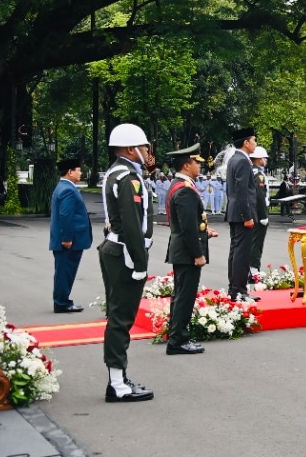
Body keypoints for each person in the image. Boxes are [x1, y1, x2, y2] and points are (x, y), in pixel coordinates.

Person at [99, 122, 156, 402]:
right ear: (131, 148)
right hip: (124, 252)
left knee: (118, 316)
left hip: (114, 247)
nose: (147, 151)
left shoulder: (118, 173)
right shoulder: (127, 178)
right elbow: (133, 225)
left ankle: (118, 378)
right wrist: (139, 261)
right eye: (144, 146)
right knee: (121, 319)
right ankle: (118, 384)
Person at [164, 145, 217, 356]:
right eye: (197, 162)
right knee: (184, 296)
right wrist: (198, 254)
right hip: (187, 252)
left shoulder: (180, 184)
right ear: (187, 165)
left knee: (181, 294)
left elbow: (191, 223)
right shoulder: (185, 189)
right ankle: (178, 340)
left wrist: (206, 232)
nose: (200, 166)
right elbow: (186, 227)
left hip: (183, 249)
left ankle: (177, 335)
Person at [50, 157, 92, 313]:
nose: (81, 173)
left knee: (64, 271)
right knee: (65, 272)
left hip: (67, 239)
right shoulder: (68, 189)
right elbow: (65, 215)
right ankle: (61, 302)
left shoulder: (62, 187)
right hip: (69, 241)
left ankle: (61, 300)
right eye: (78, 170)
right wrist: (66, 238)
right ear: (70, 172)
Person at [224, 126, 259, 302]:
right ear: (245, 142)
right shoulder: (243, 161)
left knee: (236, 251)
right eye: (253, 140)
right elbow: (242, 191)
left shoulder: (233, 159)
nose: (255, 143)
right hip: (242, 213)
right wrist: (247, 216)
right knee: (242, 253)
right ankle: (239, 290)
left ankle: (234, 289)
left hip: (234, 211)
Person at [248, 146, 271, 276]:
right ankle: (254, 269)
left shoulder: (251, 172)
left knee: (252, 242)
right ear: (259, 159)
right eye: (264, 158)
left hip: (252, 211)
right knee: (257, 242)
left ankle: (251, 269)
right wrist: (263, 215)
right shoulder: (259, 175)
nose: (266, 161)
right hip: (258, 212)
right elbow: (260, 196)